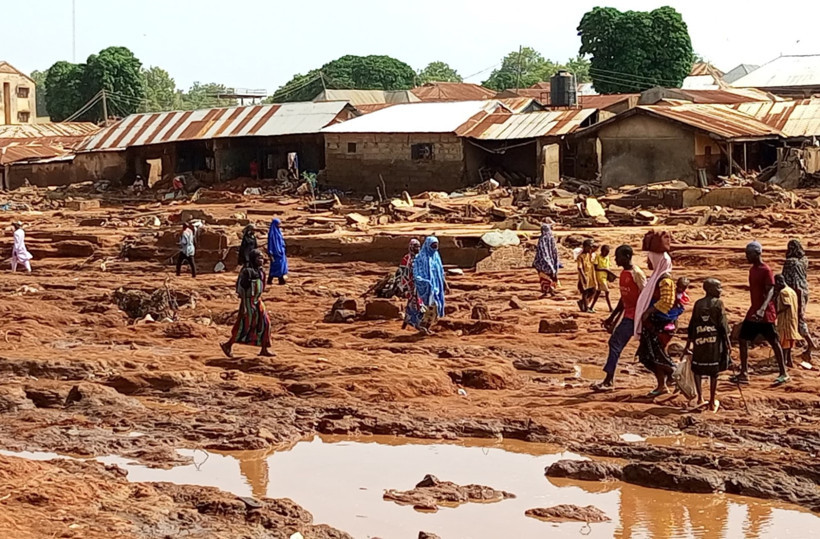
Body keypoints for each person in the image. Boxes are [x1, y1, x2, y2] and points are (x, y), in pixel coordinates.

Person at [732, 242, 789, 385]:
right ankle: (744, 373)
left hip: (765, 313)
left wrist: (763, 308)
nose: (747, 257)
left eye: (749, 254)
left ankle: (783, 373)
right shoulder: (752, 270)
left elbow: (770, 290)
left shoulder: (766, 270)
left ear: (757, 253)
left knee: (774, 342)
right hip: (754, 310)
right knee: (743, 339)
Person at [596, 245, 647, 390]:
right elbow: (623, 300)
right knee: (618, 344)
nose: (616, 259)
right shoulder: (624, 273)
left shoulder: (637, 274)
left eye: (618, 257)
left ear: (627, 256)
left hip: (635, 317)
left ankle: (608, 380)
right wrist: (611, 318)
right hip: (628, 315)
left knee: (615, 343)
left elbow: (645, 295)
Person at [683, 278, 732, 413]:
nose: (720, 290)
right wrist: (728, 343)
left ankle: (700, 398)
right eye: (718, 288)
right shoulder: (718, 304)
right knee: (714, 371)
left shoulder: (698, 304)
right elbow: (723, 325)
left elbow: (692, 325)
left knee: (698, 369)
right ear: (710, 289)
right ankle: (711, 400)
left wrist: (688, 344)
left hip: (699, 340)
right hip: (714, 342)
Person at [634, 251, 678, 397]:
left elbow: (667, 301)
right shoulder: (656, 278)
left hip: (659, 325)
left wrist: (649, 311)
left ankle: (675, 374)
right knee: (649, 355)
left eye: (650, 259)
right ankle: (663, 384)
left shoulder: (665, 280)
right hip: (651, 324)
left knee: (656, 354)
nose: (647, 262)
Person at [221, 249, 272, 358]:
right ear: (253, 259)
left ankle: (264, 348)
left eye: (262, 258)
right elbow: (241, 289)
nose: (261, 260)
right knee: (245, 325)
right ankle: (228, 345)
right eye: (259, 258)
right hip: (248, 302)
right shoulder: (247, 271)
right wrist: (244, 305)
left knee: (265, 322)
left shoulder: (261, 271)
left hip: (258, 300)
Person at [782, 239, 815, 359]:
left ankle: (809, 342)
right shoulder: (804, 260)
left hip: (794, 293)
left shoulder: (790, 262)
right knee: (799, 317)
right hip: (805, 290)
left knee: (794, 319)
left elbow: (792, 282)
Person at [411, 236, 447, 334]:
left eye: (436, 245)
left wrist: (445, 284)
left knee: (436, 307)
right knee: (432, 306)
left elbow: (440, 271)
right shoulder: (421, 257)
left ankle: (426, 326)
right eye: (433, 245)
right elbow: (417, 272)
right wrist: (423, 281)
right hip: (427, 286)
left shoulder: (436, 256)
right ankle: (423, 325)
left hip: (437, 286)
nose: (435, 246)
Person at [775, 274, 801, 369]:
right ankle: (789, 361)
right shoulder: (792, 291)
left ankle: (784, 363)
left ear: (779, 282)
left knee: (784, 343)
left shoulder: (784, 292)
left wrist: (776, 313)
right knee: (789, 342)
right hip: (792, 319)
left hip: (785, 320)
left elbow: (787, 305)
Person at [533, 221, 560, 297]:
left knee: (544, 276)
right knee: (550, 275)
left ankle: (548, 290)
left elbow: (542, 251)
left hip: (543, 262)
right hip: (549, 261)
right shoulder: (551, 238)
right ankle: (549, 290)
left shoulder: (543, 239)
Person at [576, 239, 597, 312]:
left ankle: (583, 303)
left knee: (593, 290)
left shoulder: (590, 254)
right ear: (585, 247)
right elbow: (579, 267)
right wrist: (583, 277)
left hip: (591, 276)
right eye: (589, 247)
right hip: (584, 276)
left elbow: (597, 247)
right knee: (585, 292)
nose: (591, 248)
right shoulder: (580, 256)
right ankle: (586, 307)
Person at [591, 244, 614, 312]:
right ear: (601, 251)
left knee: (598, 292)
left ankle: (591, 306)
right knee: (607, 292)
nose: (606, 253)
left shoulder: (607, 257)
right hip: (600, 277)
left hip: (605, 277)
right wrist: (605, 270)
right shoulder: (598, 257)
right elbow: (596, 268)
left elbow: (608, 266)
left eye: (607, 252)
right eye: (605, 252)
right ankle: (610, 307)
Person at [266, 218, 288, 286]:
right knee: (276, 266)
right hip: (275, 253)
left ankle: (280, 279)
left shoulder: (278, 232)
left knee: (281, 266)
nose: (279, 225)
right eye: (278, 224)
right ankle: (274, 279)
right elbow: (271, 243)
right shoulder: (272, 234)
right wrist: (270, 252)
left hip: (281, 252)